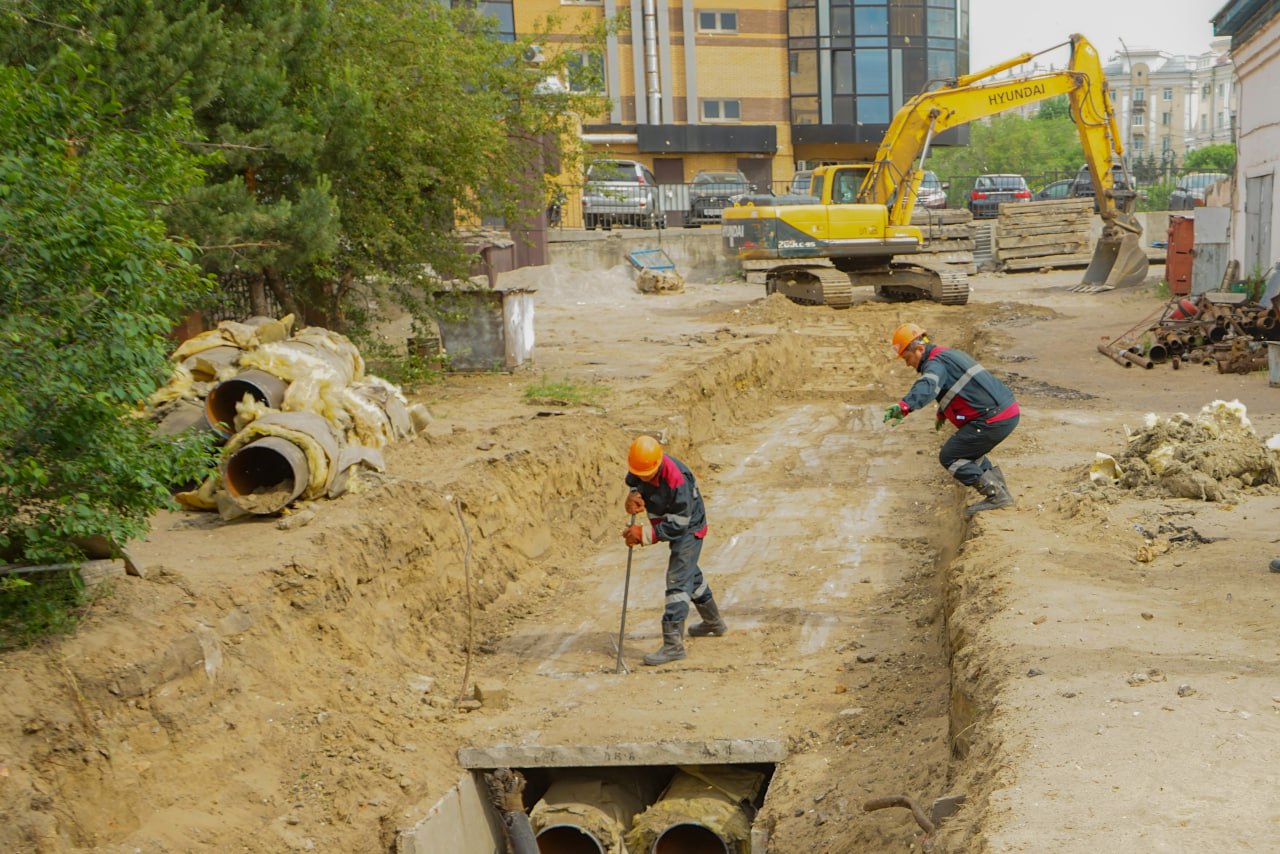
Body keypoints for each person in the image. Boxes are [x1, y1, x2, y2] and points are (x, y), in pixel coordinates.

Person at [884, 322, 1019, 515]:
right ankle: (999, 488)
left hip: (993, 418)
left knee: (950, 456)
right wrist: (942, 412)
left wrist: (904, 406)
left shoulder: (935, 364)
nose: (907, 364)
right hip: (1007, 411)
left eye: (907, 357)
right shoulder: (947, 354)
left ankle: (996, 495)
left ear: (920, 349)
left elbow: (928, 385)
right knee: (969, 450)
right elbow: (959, 388)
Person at [621, 435, 727, 665]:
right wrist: (634, 496)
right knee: (690, 573)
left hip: (689, 528)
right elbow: (633, 482)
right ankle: (713, 622)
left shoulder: (678, 480)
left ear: (658, 464)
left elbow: (678, 526)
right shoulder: (640, 467)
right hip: (669, 521)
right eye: (639, 473)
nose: (643, 477)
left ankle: (673, 645)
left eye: (647, 474)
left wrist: (644, 535)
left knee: (678, 581)